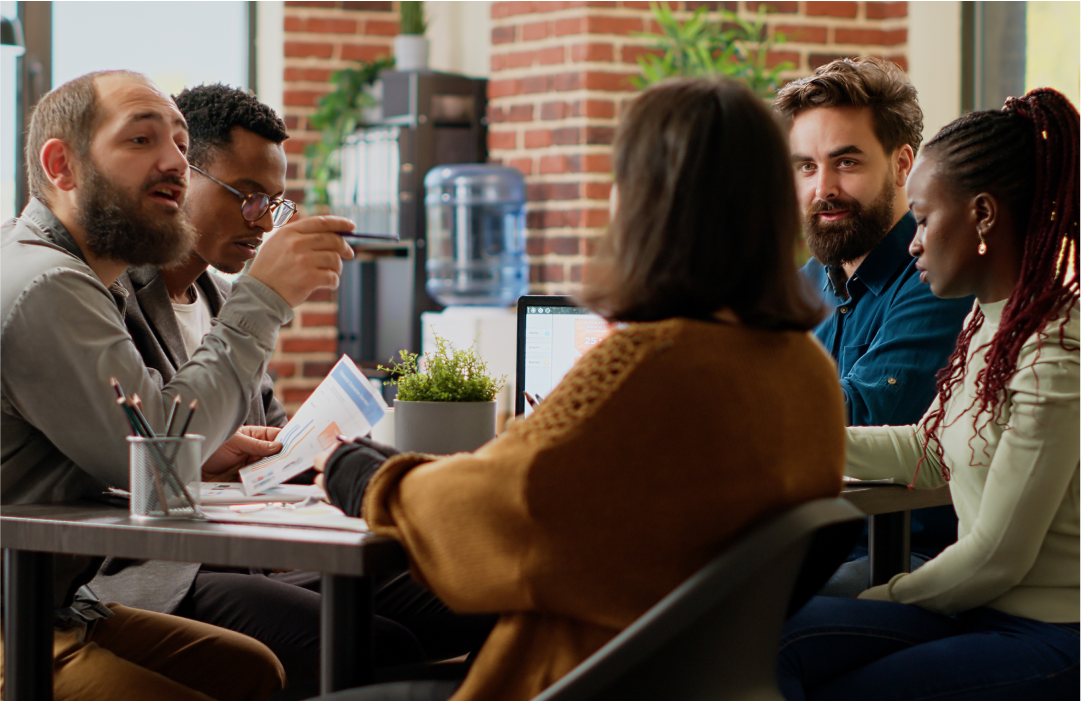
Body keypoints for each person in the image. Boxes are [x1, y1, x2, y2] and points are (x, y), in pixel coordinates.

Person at [311, 77, 847, 701]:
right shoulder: (806, 370)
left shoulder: (648, 367)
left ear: (641, 203)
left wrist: (367, 478)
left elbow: (509, 512)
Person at [0, 70, 355, 699]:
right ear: (62, 166)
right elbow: (157, 438)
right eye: (141, 141)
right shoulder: (45, 283)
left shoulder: (77, 278)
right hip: (16, 623)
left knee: (253, 670)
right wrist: (264, 297)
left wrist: (202, 453)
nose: (173, 163)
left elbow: (139, 452)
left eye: (182, 146)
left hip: (53, 606)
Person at [87, 83, 425, 686]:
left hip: (252, 552)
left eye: (274, 202)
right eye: (246, 196)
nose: (263, 221)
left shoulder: (221, 302)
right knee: (378, 645)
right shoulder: (107, 297)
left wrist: (302, 449)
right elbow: (119, 452)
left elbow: (264, 437)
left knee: (455, 598)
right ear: (181, 174)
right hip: (158, 571)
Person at [778, 88, 1081, 700]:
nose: (912, 242)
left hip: (1045, 631)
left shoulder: (1056, 352)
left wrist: (885, 597)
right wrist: (789, 443)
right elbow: (929, 447)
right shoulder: (988, 319)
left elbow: (998, 556)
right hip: (978, 608)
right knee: (765, 640)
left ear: (983, 216)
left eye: (922, 218)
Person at [774, 57, 973, 594]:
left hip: (905, 552)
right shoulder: (798, 288)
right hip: (805, 538)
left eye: (846, 163)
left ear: (902, 163)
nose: (823, 189)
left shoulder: (939, 278)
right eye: (807, 167)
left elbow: (867, 413)